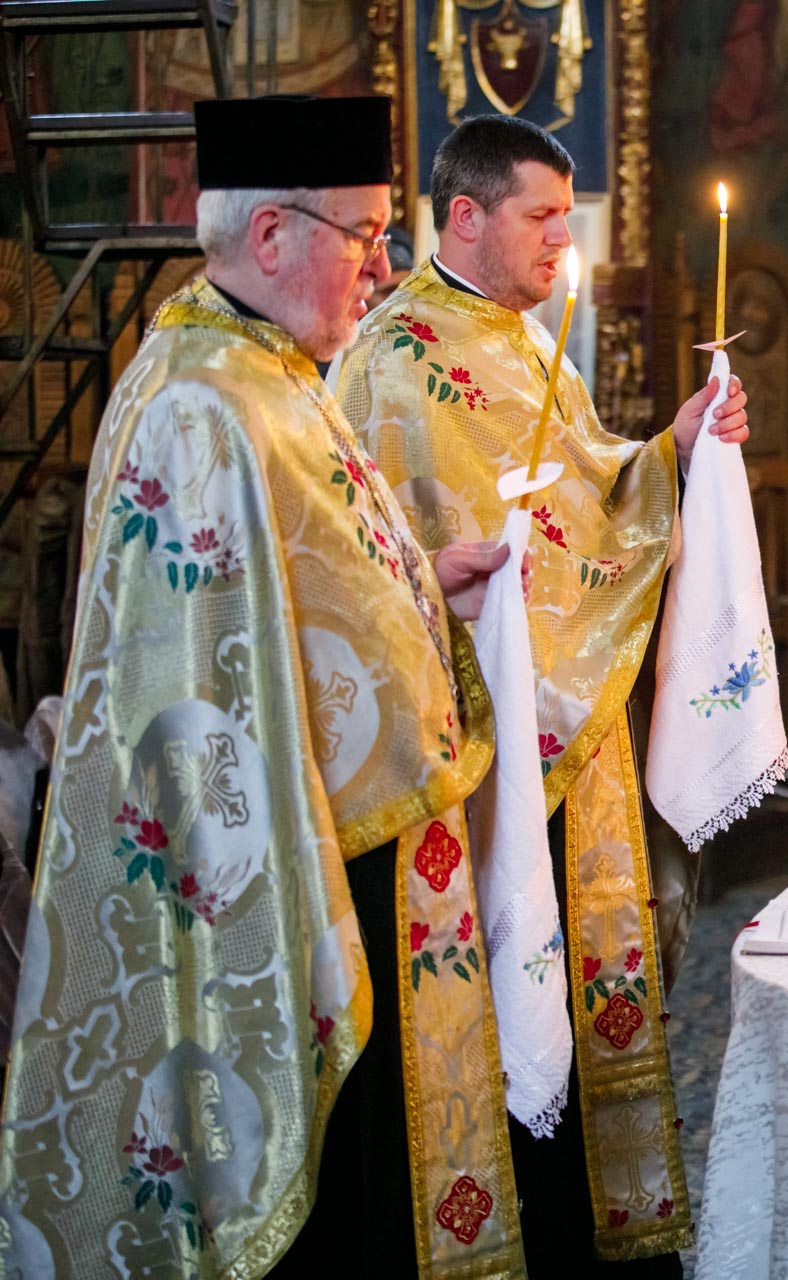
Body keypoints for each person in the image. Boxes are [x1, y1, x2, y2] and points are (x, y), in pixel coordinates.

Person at [0, 96, 537, 1278]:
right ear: (273, 235)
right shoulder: (200, 401)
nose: (383, 268)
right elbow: (203, 663)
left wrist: (422, 580)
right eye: (366, 236)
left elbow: (289, 593)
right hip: (282, 864)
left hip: (345, 829)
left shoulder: (266, 367)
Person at [332, 115, 746, 1272]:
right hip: (467, 767)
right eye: (544, 217)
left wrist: (673, 449)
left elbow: (588, 489)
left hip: (563, 734)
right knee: (490, 1017)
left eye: (569, 217)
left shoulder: (523, 342)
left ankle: (582, 1242)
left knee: (574, 993)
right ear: (466, 216)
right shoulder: (393, 358)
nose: (565, 240)